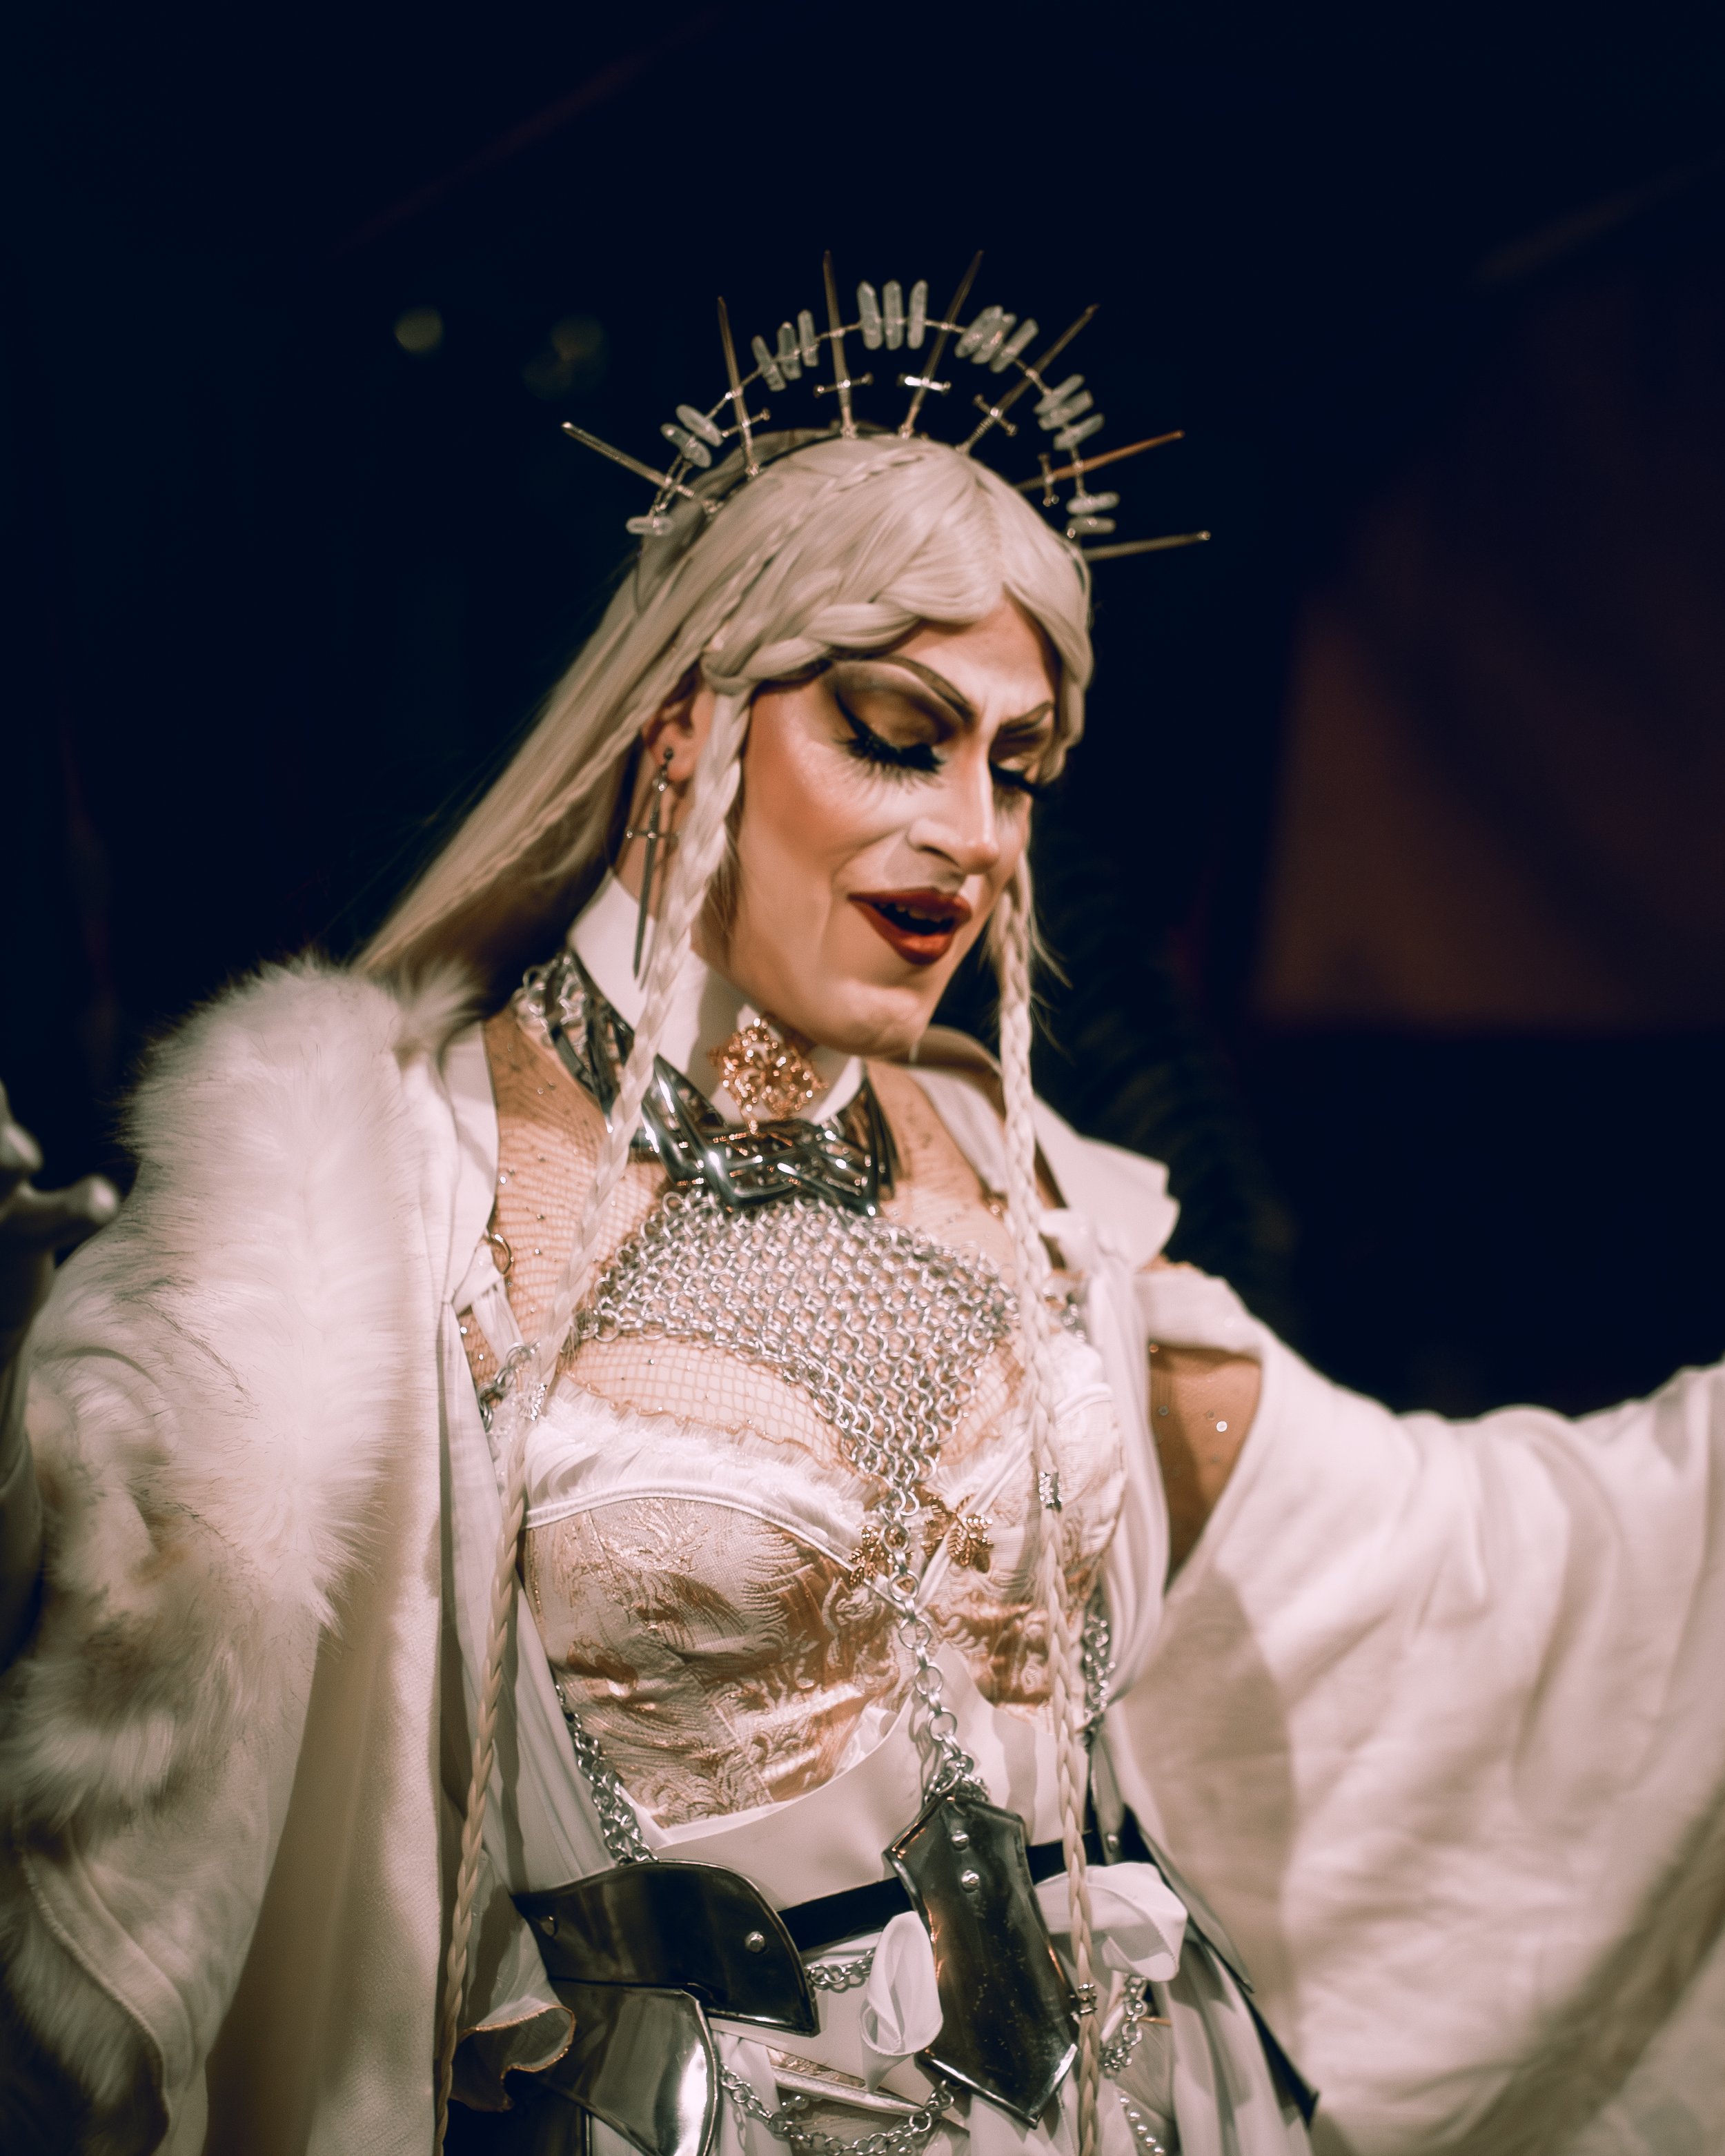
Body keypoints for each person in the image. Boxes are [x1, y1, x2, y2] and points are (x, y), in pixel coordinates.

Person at [1, 310, 1721, 2156]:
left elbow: (1447, 1566)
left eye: (1018, 765)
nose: (973, 832)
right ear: (684, 732)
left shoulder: (1028, 1188)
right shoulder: (383, 1214)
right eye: (899, 739)